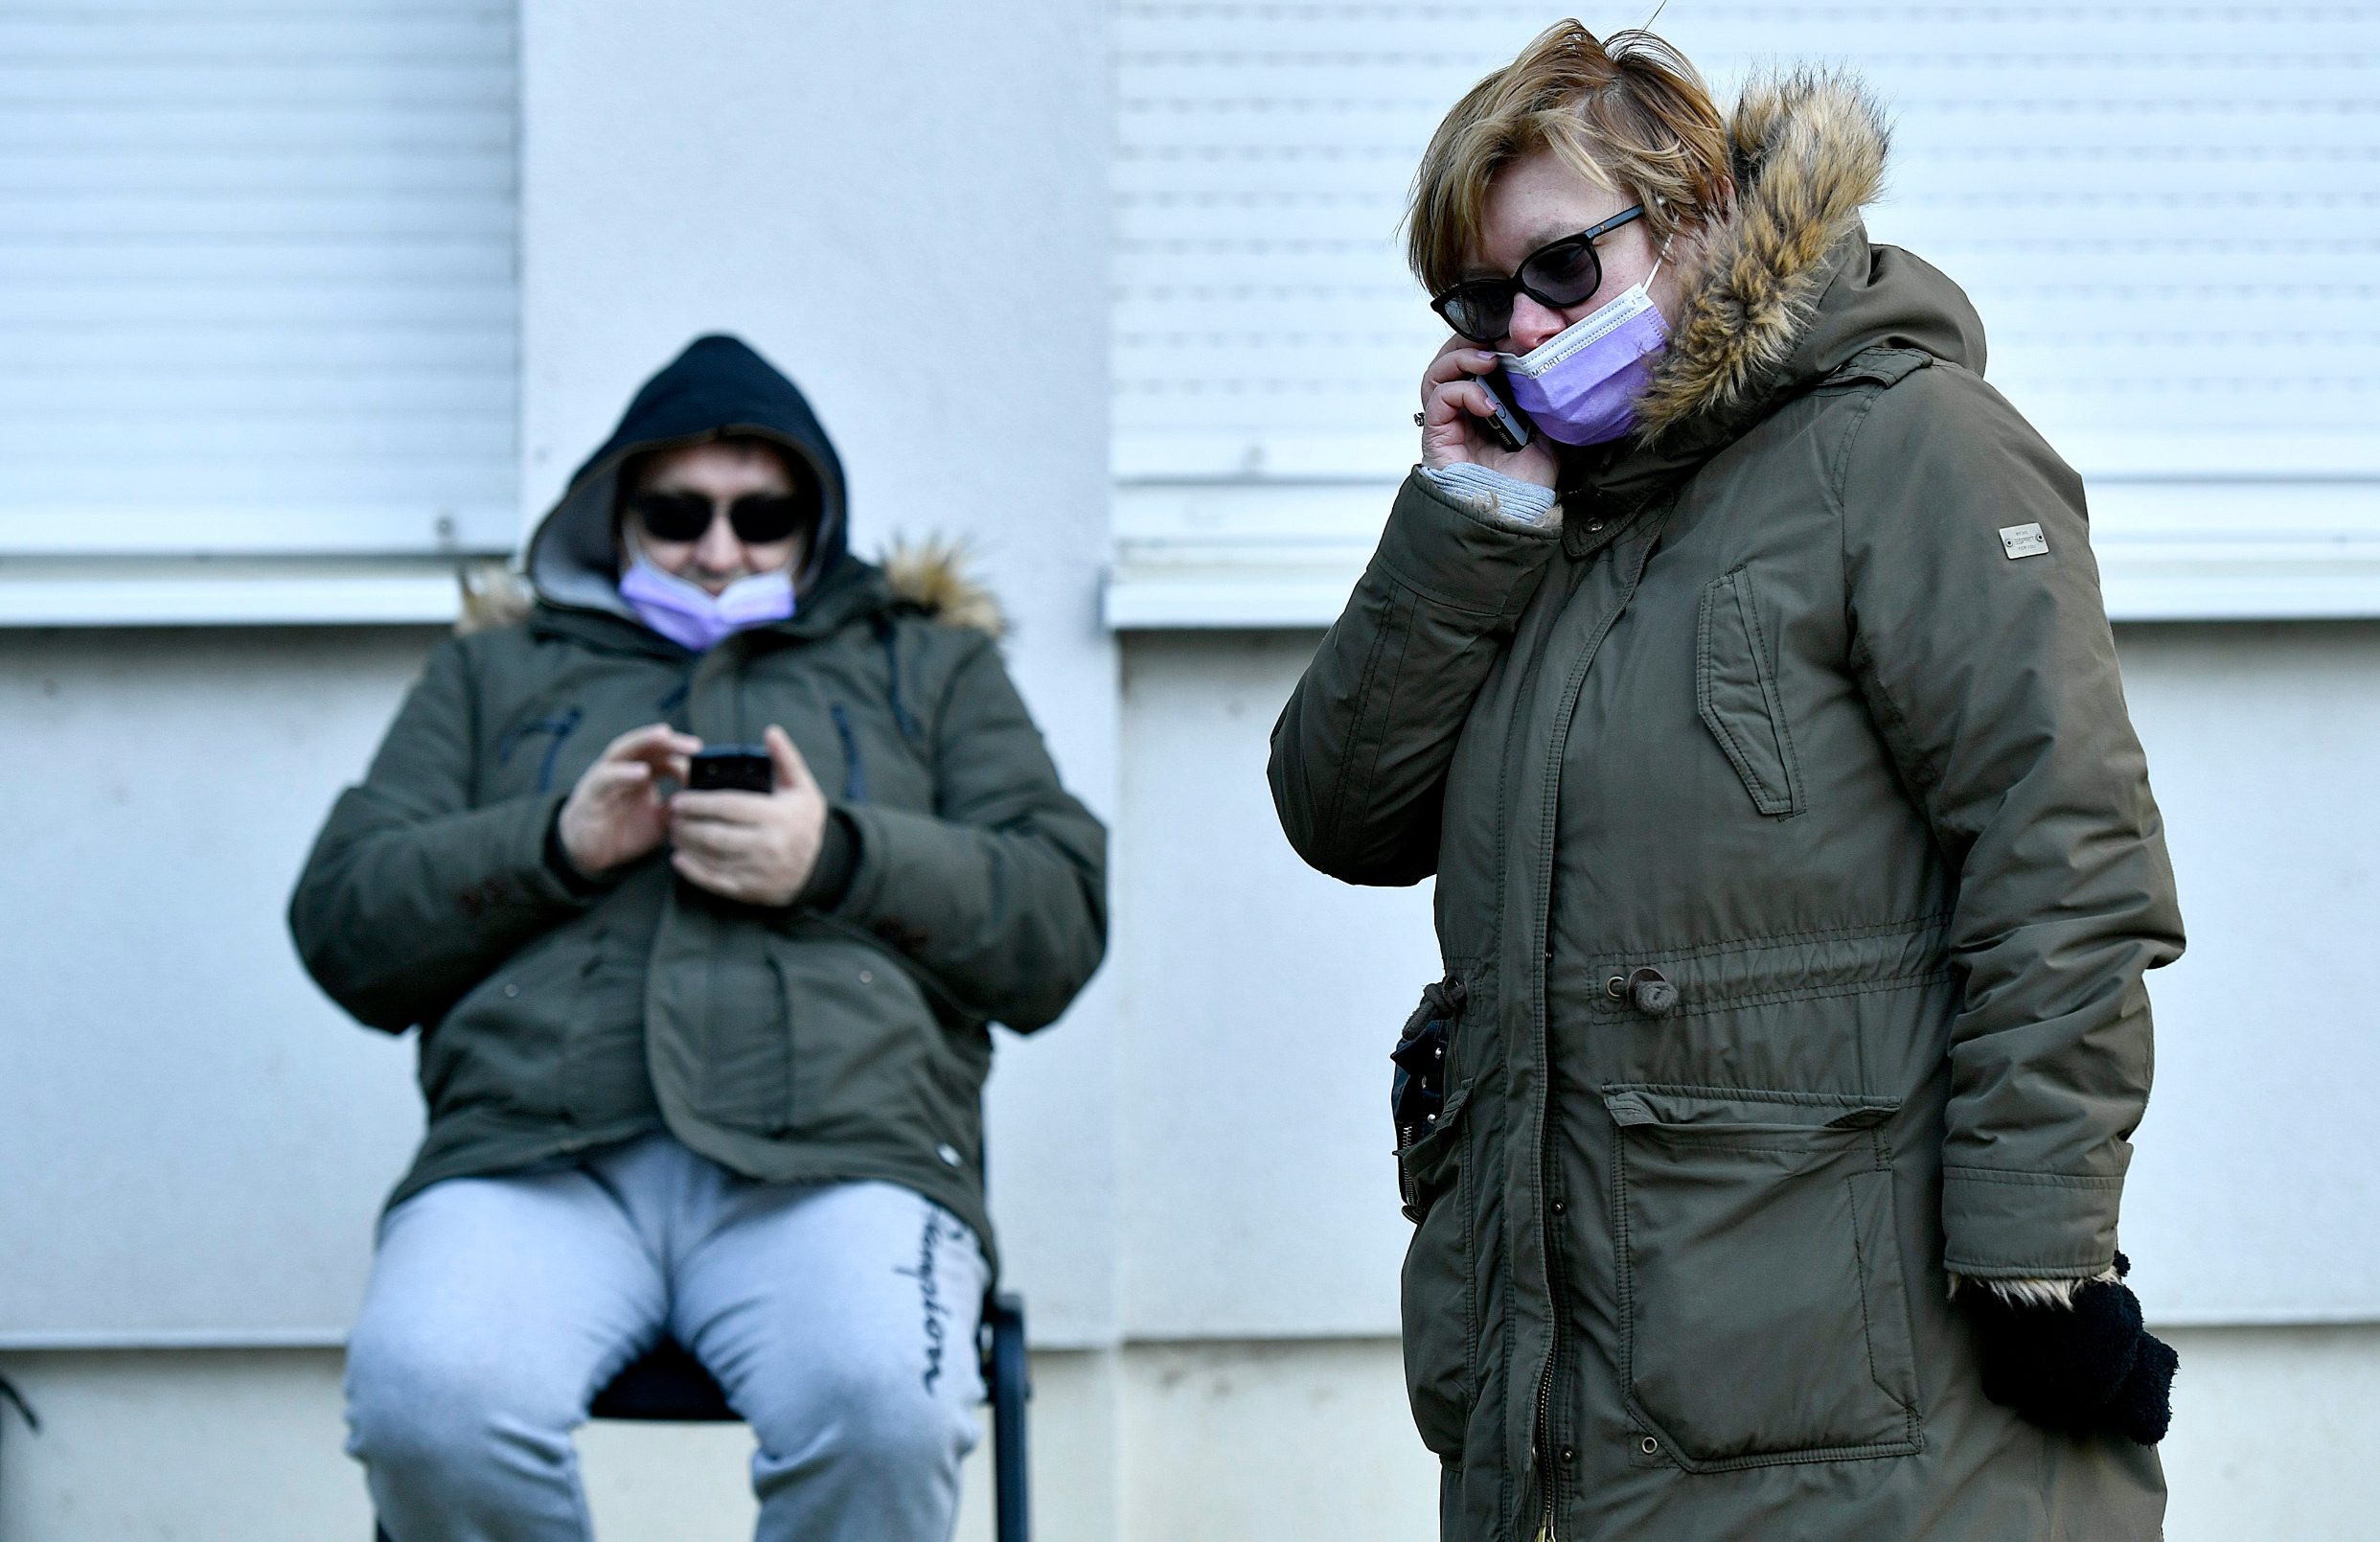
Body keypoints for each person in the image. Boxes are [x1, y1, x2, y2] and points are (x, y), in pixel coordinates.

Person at [1270, 24, 2183, 1540]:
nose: (1527, 328)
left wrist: (2040, 1258)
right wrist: (1468, 514)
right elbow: (1344, 813)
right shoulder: (1538, 522)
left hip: (1865, 1416)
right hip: (1577, 1411)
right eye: (1480, 300)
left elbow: (2065, 859)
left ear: (1695, 213)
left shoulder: (1910, 446)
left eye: (1563, 269)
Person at [290, 333, 1106, 1542]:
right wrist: (556, 844)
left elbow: (1059, 916)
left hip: (844, 1159)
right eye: (676, 511)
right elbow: (343, 917)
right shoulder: (495, 672)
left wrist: (833, 856)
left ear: (814, 519)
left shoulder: (927, 665)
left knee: (886, 1409)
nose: (719, 551)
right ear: (615, 514)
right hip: (532, 1157)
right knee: (426, 1404)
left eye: (761, 515)